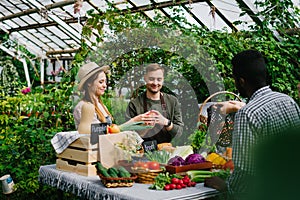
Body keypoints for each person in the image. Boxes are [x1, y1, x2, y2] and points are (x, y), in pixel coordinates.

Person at [204, 49, 300, 200]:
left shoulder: (247, 114)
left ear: (241, 81)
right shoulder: (288, 100)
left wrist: (225, 188)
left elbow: (245, 171)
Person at [125, 63, 184, 144]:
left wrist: (166, 122)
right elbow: (128, 137)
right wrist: (146, 126)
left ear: (163, 80)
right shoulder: (134, 104)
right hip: (142, 152)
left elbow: (179, 133)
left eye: (159, 79)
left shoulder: (172, 101)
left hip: (167, 150)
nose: (155, 83)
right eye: (151, 79)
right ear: (145, 78)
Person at [73, 62, 113, 134]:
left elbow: (110, 130)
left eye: (105, 82)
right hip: (92, 144)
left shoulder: (101, 105)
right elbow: (94, 132)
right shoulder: (82, 106)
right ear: (89, 83)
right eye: (101, 82)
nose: (105, 86)